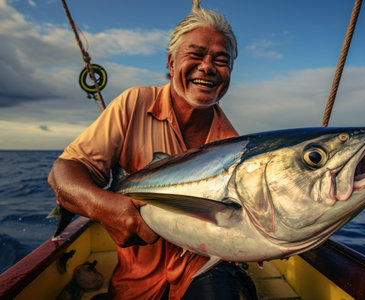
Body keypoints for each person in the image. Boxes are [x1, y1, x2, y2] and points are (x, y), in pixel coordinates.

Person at [48, 7, 257, 300]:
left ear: (229, 74)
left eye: (221, 61)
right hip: (137, 277)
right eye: (196, 55)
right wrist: (104, 207)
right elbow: (64, 173)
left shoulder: (232, 144)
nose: (208, 67)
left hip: (201, 267)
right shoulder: (134, 103)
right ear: (171, 63)